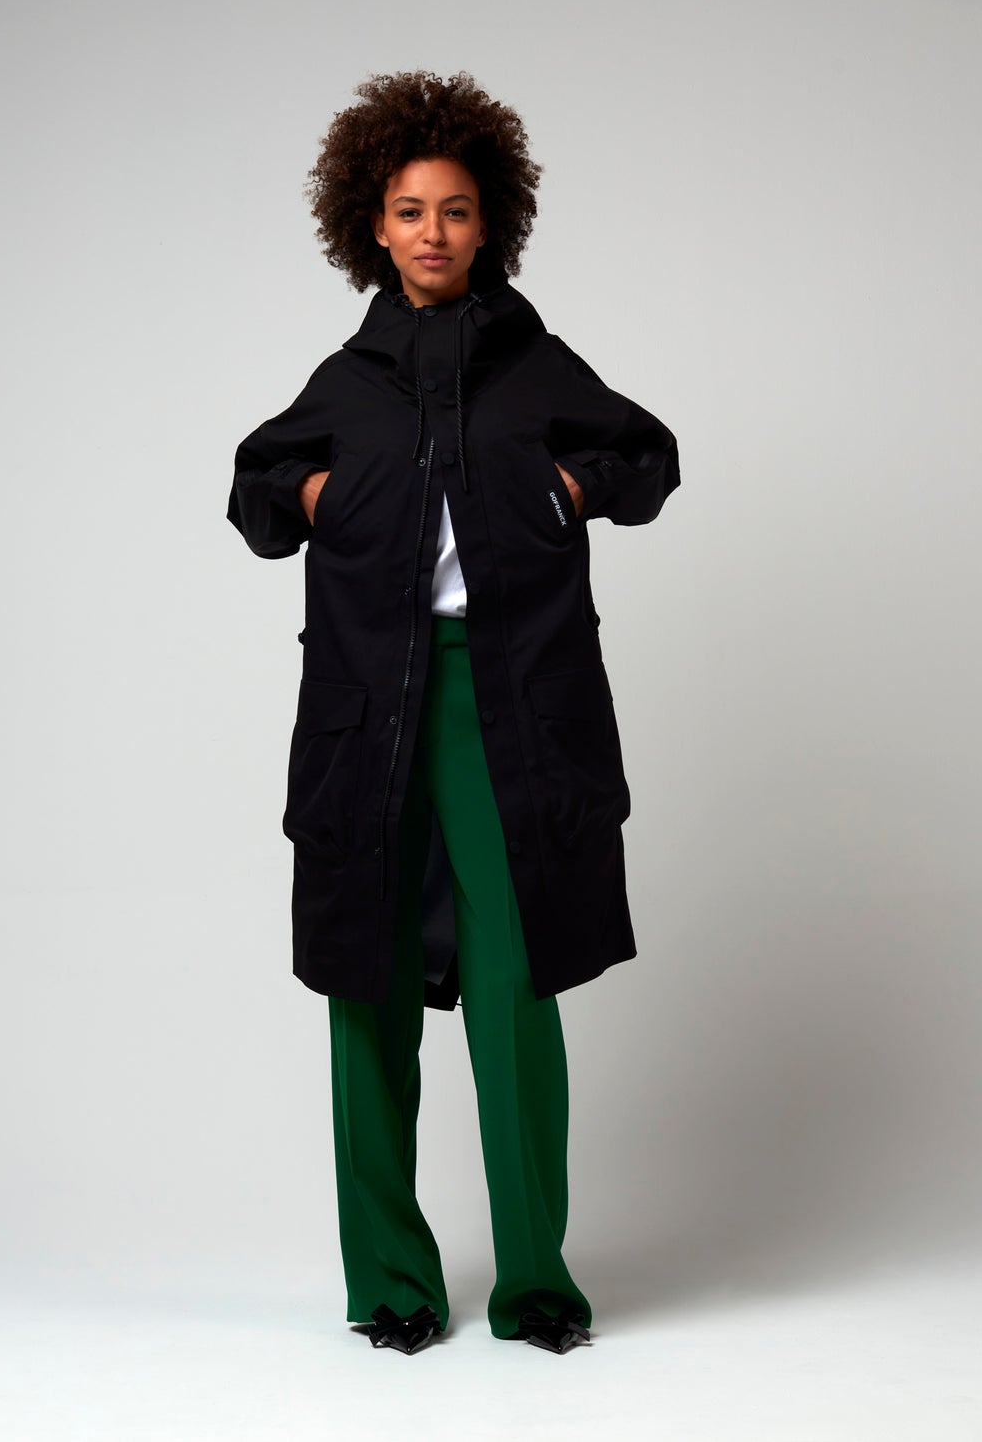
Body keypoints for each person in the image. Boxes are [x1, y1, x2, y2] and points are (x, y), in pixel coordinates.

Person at [227, 70, 680, 1355]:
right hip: (368, 712)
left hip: (509, 708)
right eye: (410, 209)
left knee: (512, 982)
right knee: (362, 987)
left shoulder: (536, 367)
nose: (433, 231)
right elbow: (255, 491)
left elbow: (647, 456)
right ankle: (391, 1282)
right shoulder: (348, 380)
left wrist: (567, 489)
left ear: (491, 226)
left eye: (457, 210)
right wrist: (315, 496)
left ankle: (535, 1282)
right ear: (371, 225)